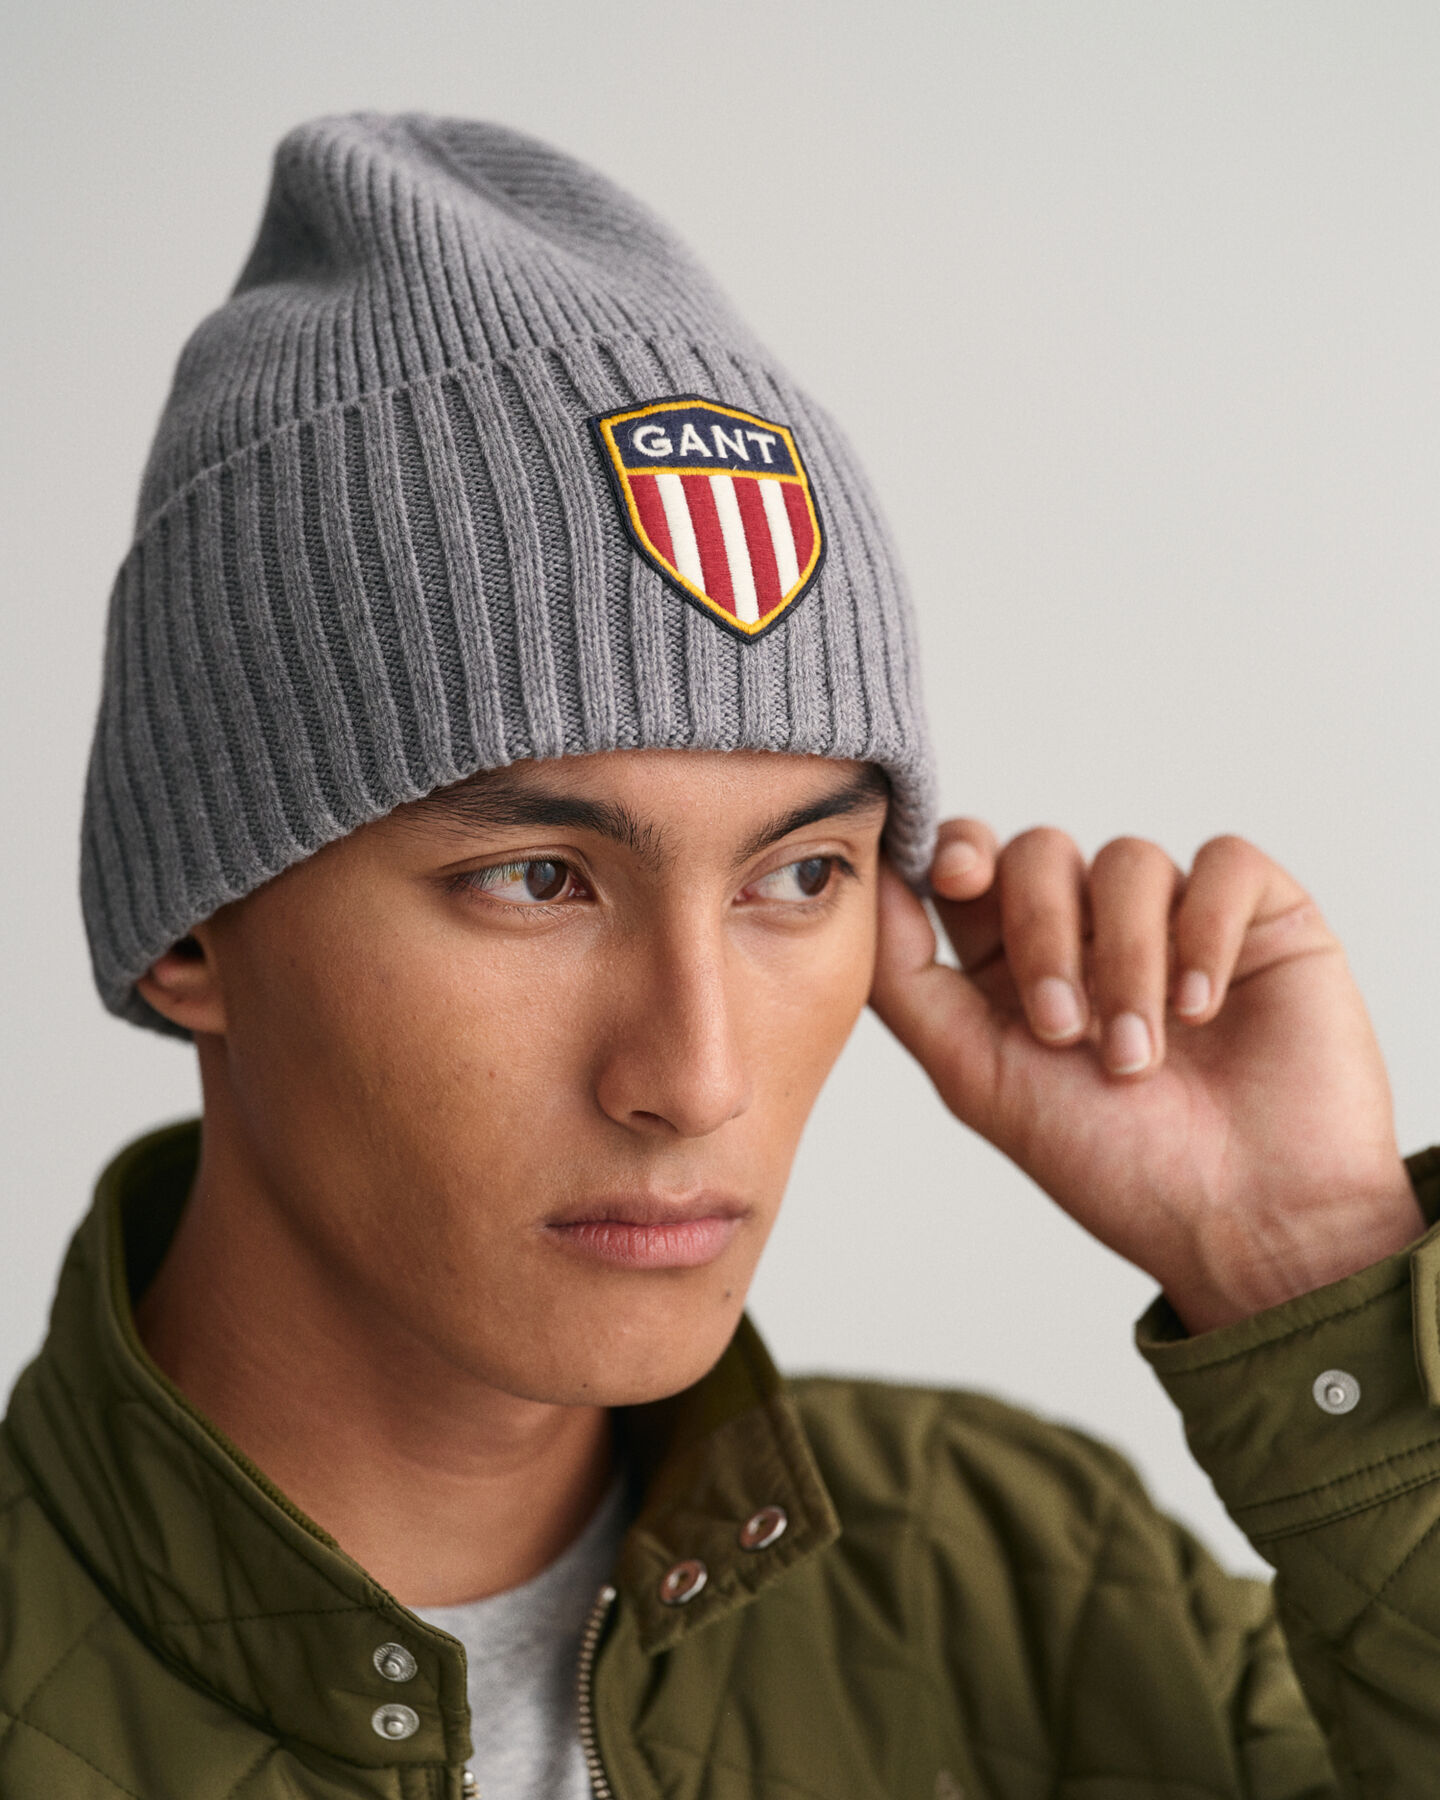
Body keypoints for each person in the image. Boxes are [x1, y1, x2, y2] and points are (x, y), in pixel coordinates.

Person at [2, 111, 1436, 1800]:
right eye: (536, 878)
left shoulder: (1035, 1586)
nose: (695, 1077)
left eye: (800, 875)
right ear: (195, 920)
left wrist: (1311, 1274)